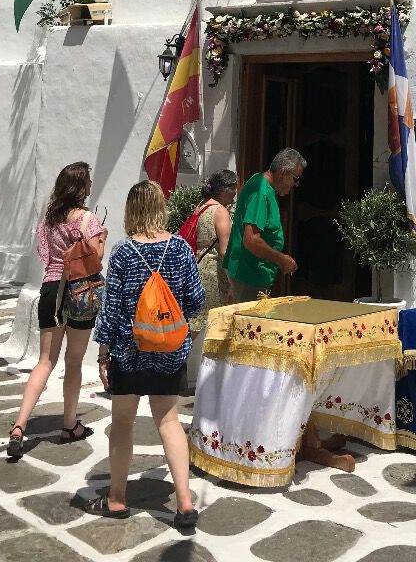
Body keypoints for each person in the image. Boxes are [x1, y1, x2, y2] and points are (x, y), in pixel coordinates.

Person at [90, 180, 204, 528]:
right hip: (169, 351)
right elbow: (196, 299)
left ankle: (117, 499)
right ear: (160, 207)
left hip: (129, 351)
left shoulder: (123, 252)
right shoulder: (181, 248)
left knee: (123, 423)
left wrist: (103, 353)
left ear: (131, 211)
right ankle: (184, 502)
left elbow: (110, 308)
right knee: (169, 421)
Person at [7, 162, 107, 459]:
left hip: (51, 289)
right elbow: (95, 258)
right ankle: (69, 425)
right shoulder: (87, 219)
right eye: (88, 180)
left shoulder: (50, 220)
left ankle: (19, 426)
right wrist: (101, 238)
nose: (91, 185)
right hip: (80, 292)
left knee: (44, 361)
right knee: (73, 362)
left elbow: (48, 257)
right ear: (80, 186)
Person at [223, 148, 306, 302]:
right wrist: (282, 259)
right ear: (283, 173)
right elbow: (251, 240)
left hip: (253, 276)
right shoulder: (260, 192)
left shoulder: (261, 182)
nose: (296, 184)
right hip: (249, 277)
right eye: (295, 178)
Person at [186, 169, 237, 387]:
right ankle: (215, 381)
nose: (235, 194)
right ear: (225, 190)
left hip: (197, 270)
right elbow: (225, 251)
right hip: (214, 275)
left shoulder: (202, 207)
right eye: (233, 189)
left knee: (193, 326)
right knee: (217, 326)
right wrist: (233, 284)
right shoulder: (221, 212)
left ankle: (174, 369)